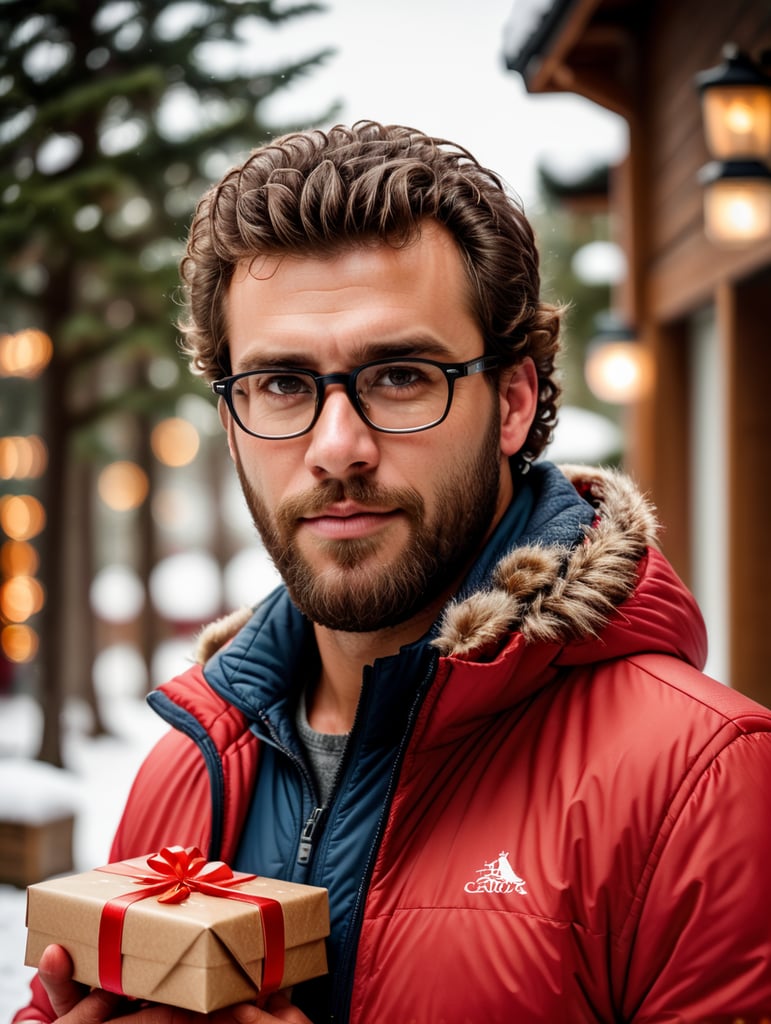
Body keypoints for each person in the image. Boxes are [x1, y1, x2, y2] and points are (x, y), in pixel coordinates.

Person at [15, 121, 771, 1024]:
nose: (337, 449)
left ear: (513, 402)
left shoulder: (705, 782)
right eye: (283, 385)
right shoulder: (188, 765)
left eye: (401, 375)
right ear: (231, 424)